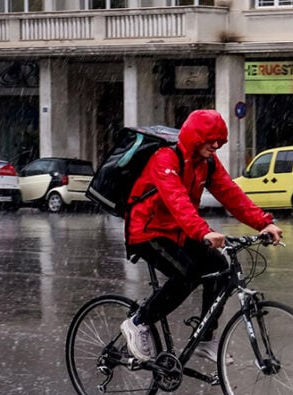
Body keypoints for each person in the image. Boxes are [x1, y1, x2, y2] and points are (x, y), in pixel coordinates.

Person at [120, 109, 282, 363]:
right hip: (147, 230)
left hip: (180, 231)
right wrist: (203, 231)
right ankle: (138, 322)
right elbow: (177, 200)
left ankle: (205, 338)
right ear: (195, 138)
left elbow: (231, 193)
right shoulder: (165, 158)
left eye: (219, 140)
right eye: (210, 140)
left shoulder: (207, 162)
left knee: (219, 268)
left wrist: (264, 223)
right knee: (186, 274)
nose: (216, 145)